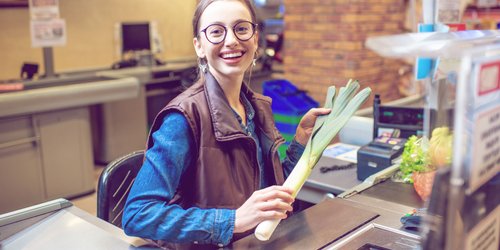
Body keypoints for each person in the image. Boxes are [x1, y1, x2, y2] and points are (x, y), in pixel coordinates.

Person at [122, 0, 330, 248]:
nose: (231, 40)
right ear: (199, 46)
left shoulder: (256, 109)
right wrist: (232, 221)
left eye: (241, 29)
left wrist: (301, 142)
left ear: (255, 40)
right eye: (216, 31)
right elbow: (137, 215)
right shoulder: (183, 118)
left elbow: (268, 191)